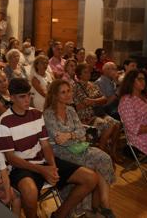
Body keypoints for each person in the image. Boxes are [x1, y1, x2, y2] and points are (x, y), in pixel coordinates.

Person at [0, 78, 98, 218]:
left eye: (29, 95)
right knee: (30, 192)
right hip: (20, 167)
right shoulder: (4, 121)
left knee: (90, 178)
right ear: (12, 98)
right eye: (22, 97)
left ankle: (59, 214)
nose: (27, 100)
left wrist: (52, 167)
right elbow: (11, 158)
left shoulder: (36, 114)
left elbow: (45, 145)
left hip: (43, 161)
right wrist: (43, 170)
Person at [44, 79, 116, 217]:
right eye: (63, 92)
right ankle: (96, 208)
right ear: (55, 95)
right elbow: (60, 141)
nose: (68, 94)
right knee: (95, 165)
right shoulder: (49, 114)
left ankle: (104, 205)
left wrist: (70, 135)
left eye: (68, 91)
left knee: (105, 158)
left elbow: (83, 133)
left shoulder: (70, 110)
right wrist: (74, 135)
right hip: (62, 153)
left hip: (79, 147)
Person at [73, 63, 121, 159]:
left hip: (97, 112)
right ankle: (101, 152)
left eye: (89, 72)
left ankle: (112, 150)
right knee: (106, 124)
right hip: (85, 116)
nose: (88, 74)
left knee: (117, 123)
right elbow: (86, 102)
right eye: (85, 72)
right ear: (79, 74)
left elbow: (104, 99)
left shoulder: (92, 84)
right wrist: (96, 101)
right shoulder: (76, 86)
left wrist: (93, 101)